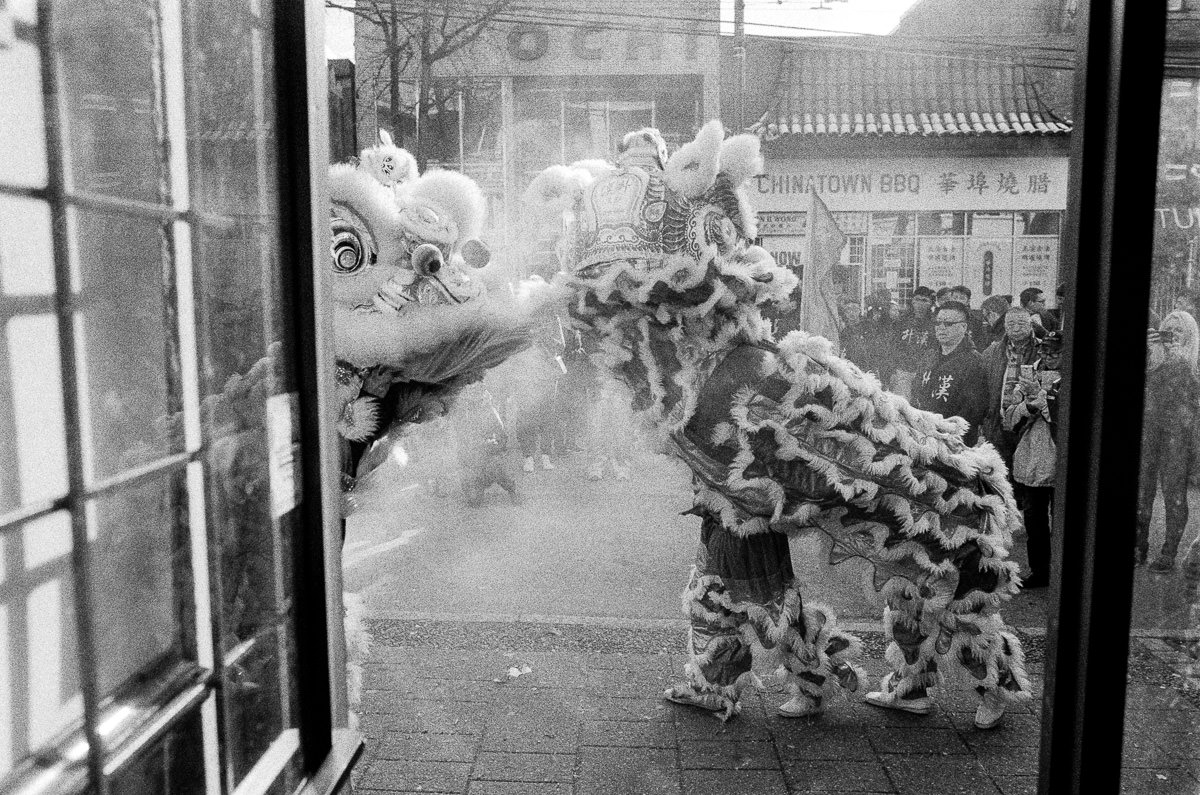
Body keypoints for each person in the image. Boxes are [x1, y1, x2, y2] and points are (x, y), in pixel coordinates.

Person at [1136, 310, 1200, 571]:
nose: (1171, 335)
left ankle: (1169, 552)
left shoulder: (1194, 361)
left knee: (1174, 495)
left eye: (1178, 330)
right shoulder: (1152, 357)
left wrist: (1181, 359)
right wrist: (1150, 353)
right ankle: (1139, 547)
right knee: (1141, 493)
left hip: (1180, 436)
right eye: (1167, 329)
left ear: (1190, 335)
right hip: (1148, 431)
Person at [1003, 331, 1063, 588]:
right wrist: (1028, 405)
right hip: (1032, 458)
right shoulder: (1029, 375)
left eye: (1054, 352)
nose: (1047, 357)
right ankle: (1039, 571)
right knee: (1035, 520)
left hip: (1060, 458)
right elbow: (1009, 418)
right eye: (1044, 351)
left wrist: (1045, 398)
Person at [913, 300, 989, 446]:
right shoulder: (930, 355)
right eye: (938, 323)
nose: (941, 328)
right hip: (923, 435)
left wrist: (944, 430)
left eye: (948, 324)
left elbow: (973, 410)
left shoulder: (974, 361)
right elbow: (916, 390)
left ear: (963, 327)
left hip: (955, 440)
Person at [981, 306, 1043, 469]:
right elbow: (982, 386)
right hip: (998, 421)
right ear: (1005, 327)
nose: (1016, 328)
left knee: (1026, 471)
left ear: (1031, 325)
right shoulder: (992, 351)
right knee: (999, 471)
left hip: (1030, 422)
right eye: (1011, 324)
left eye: (1022, 323)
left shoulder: (1043, 350)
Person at [892, 286, 937, 399]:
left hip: (925, 372)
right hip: (903, 371)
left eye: (924, 301)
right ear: (912, 301)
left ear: (930, 303)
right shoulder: (901, 321)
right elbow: (892, 346)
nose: (920, 304)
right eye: (917, 299)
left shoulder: (934, 323)